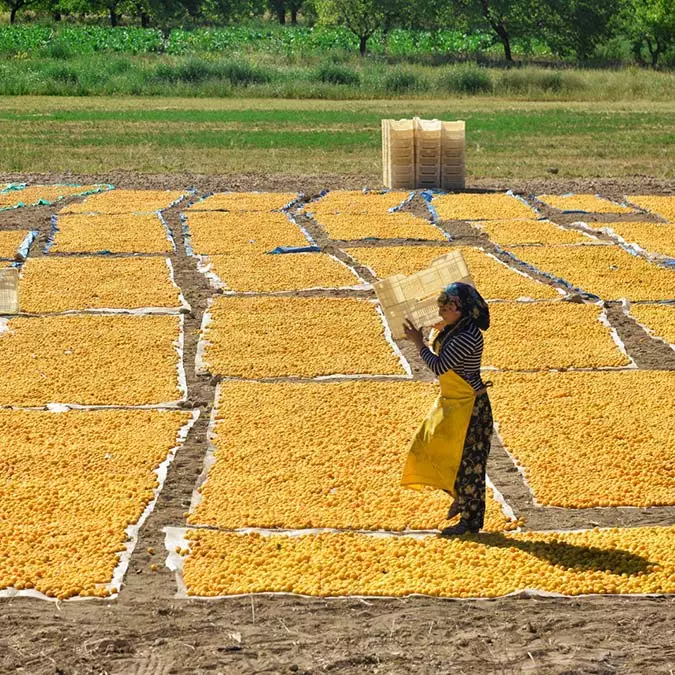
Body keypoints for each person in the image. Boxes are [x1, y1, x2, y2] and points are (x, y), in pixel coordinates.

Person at [401, 281, 493, 535]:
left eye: (444, 309)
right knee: (429, 447)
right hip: (453, 402)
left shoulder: (467, 336)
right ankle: (461, 496)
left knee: (469, 463)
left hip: (470, 407)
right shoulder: (457, 328)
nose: (440, 313)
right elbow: (442, 349)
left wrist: (418, 343)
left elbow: (440, 366)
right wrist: (439, 329)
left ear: (458, 308)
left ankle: (470, 521)